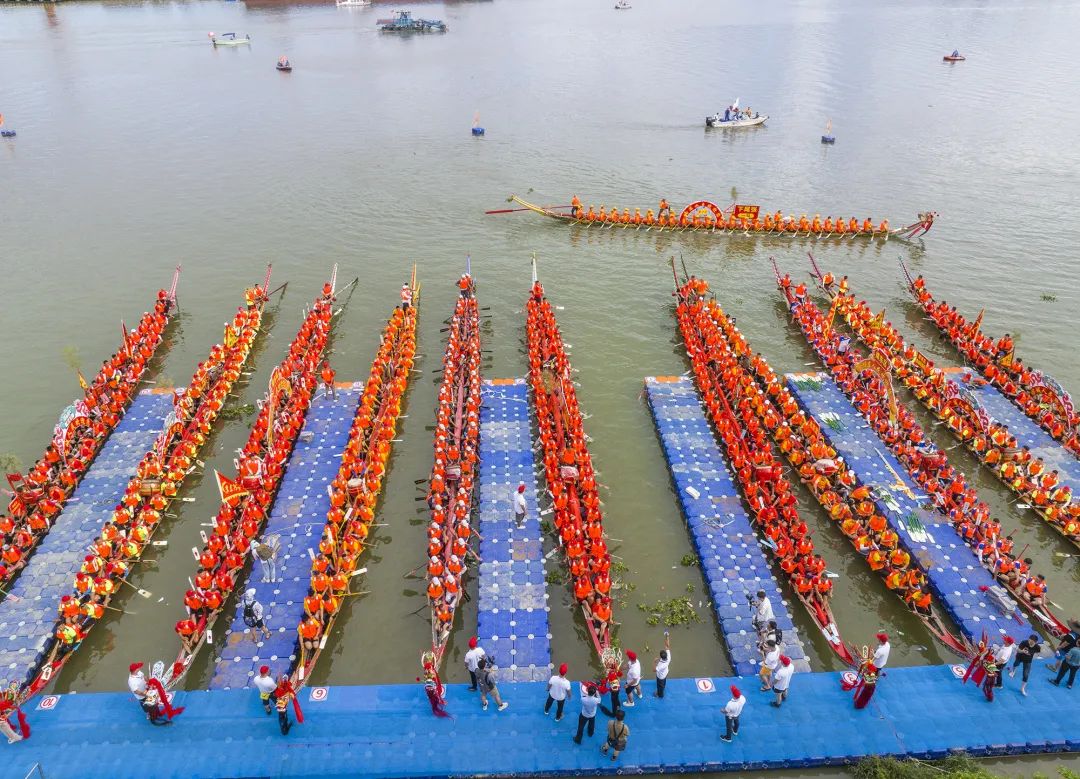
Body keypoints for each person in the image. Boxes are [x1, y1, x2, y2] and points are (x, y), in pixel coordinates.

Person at [654, 631, 671, 698]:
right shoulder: (668, 657)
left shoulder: (661, 666)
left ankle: (660, 695)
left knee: (659, 686)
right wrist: (667, 636)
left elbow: (654, 670)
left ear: (661, 656)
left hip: (660, 677)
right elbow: (667, 646)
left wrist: (655, 662)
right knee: (663, 683)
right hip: (665, 673)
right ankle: (662, 688)